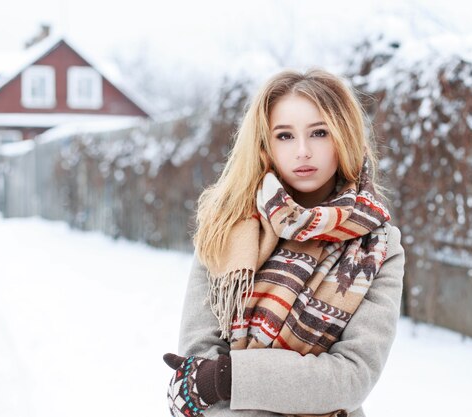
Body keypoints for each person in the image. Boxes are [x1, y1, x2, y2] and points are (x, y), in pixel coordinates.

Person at [163, 68, 405, 417]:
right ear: (266, 145)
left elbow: (350, 377)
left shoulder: (378, 246)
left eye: (319, 133)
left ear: (345, 136)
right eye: (285, 136)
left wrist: (227, 378)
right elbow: (200, 356)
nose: (303, 151)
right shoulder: (227, 227)